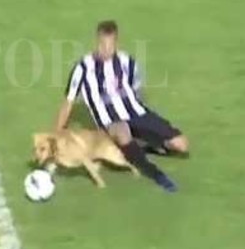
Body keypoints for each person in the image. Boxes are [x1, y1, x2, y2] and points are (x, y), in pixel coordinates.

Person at [54, 21, 190, 192]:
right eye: (102, 44)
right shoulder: (83, 68)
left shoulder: (128, 62)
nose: (106, 49)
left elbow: (137, 91)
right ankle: (156, 175)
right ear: (97, 42)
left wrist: (145, 119)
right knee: (122, 131)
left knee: (182, 145)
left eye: (110, 45)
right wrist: (57, 134)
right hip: (110, 120)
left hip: (135, 112)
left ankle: (138, 146)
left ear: (116, 43)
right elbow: (68, 102)